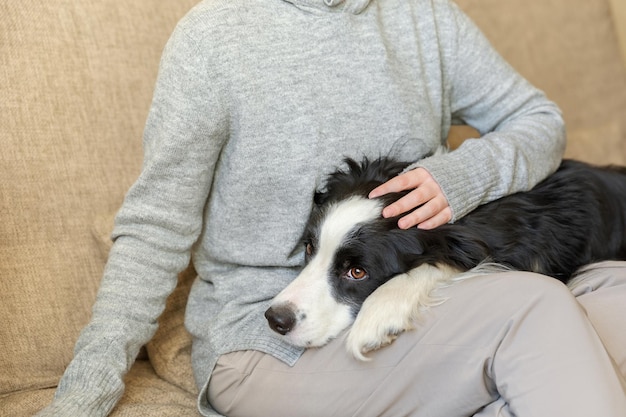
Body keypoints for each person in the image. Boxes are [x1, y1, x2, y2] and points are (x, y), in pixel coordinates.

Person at [37, 0, 626, 416]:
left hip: (427, 296)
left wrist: (459, 176)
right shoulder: (214, 38)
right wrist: (81, 395)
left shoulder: (424, 16)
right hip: (268, 339)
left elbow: (540, 121)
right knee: (535, 312)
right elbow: (154, 231)